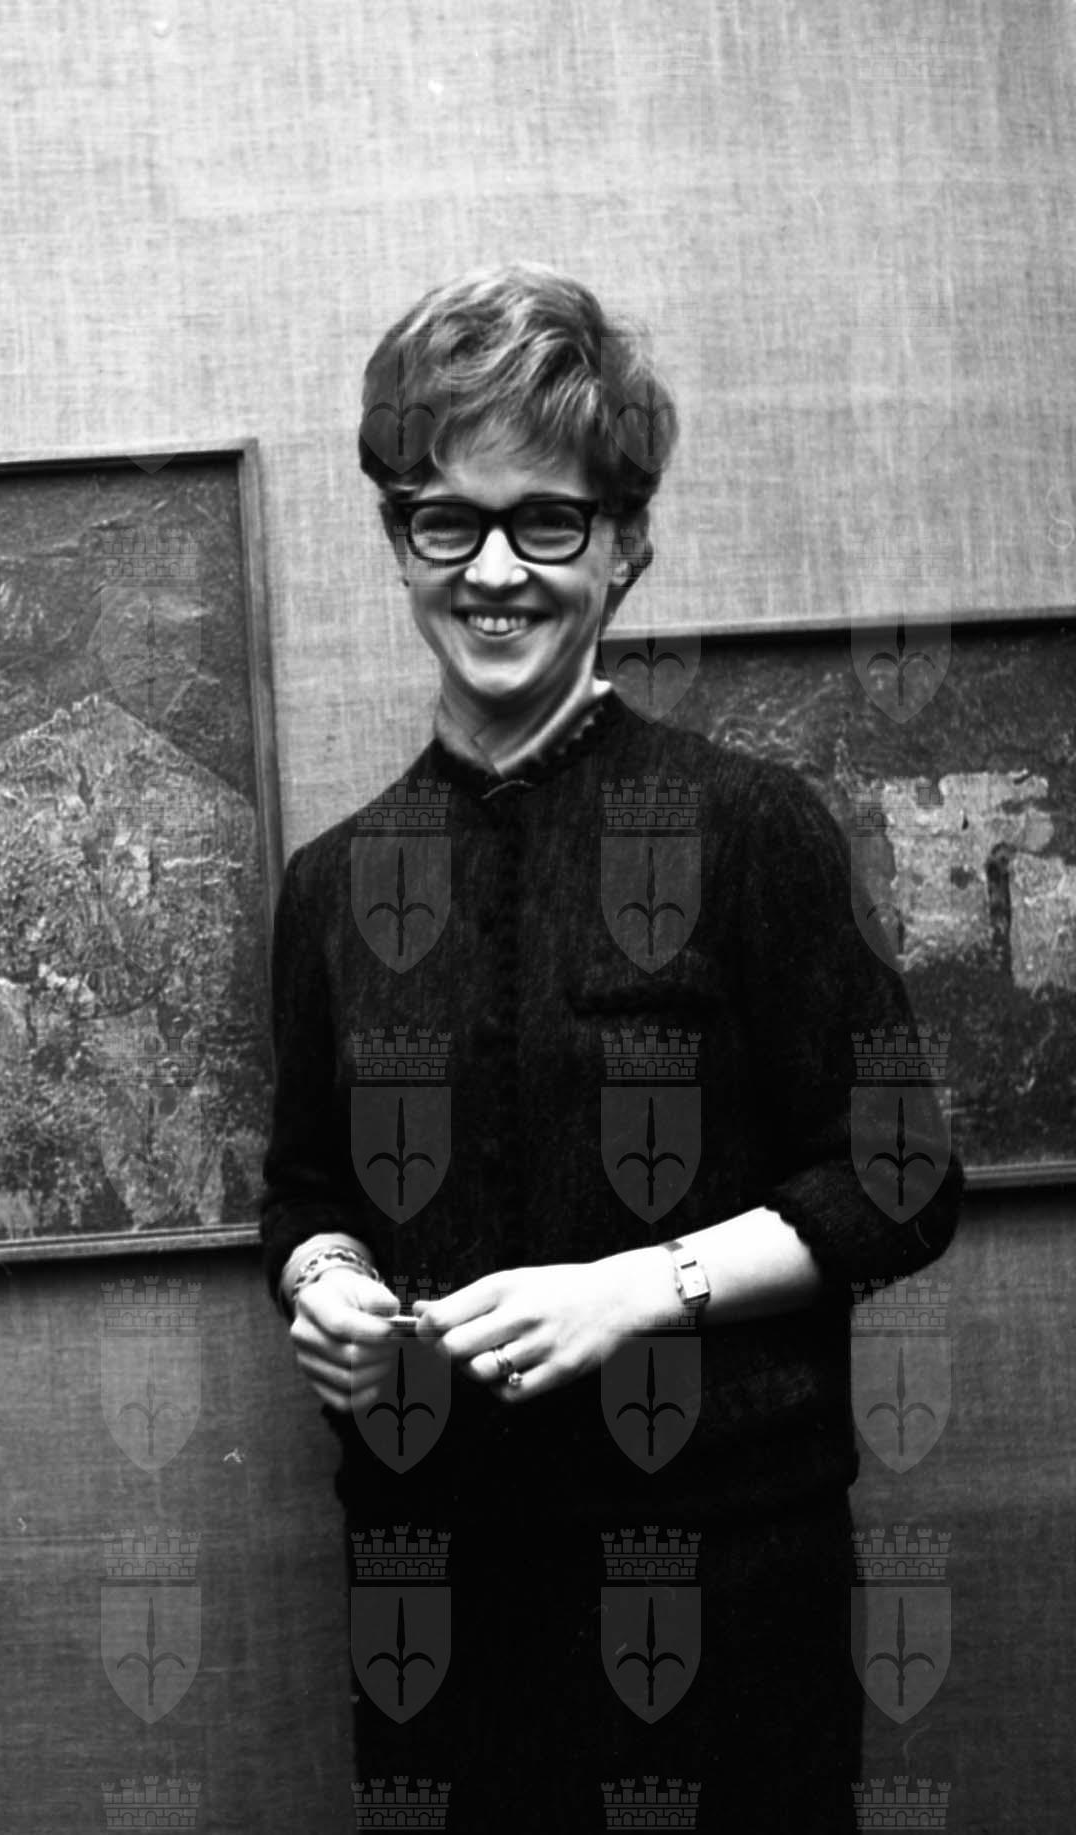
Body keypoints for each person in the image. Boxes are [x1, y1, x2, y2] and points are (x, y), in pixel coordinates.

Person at [260, 263, 961, 1833]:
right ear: (397, 539)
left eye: (548, 522)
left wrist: (635, 1292)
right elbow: (305, 1188)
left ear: (627, 543)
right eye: (447, 521)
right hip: (437, 1596)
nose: (494, 570)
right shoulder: (329, 884)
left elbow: (905, 1179)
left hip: (726, 1588)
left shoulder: (753, 828)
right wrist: (325, 1285)